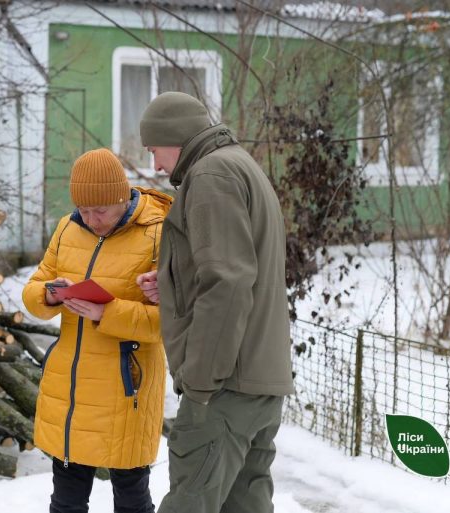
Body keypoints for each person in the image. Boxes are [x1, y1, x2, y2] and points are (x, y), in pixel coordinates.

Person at [135, 91, 295, 513]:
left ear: (176, 138)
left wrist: (200, 382)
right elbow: (239, 267)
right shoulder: (240, 165)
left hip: (225, 386)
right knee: (245, 505)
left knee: (191, 502)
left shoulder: (210, 176)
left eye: (155, 150)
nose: (156, 165)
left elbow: (227, 282)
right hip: (260, 379)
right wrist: (172, 283)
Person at [22, 147, 172, 513]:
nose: (91, 220)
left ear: (121, 198)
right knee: (66, 503)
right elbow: (32, 289)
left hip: (126, 390)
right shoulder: (67, 227)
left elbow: (170, 320)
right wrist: (50, 295)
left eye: (100, 210)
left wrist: (108, 311)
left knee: (132, 500)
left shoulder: (158, 233)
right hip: (71, 390)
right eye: (84, 210)